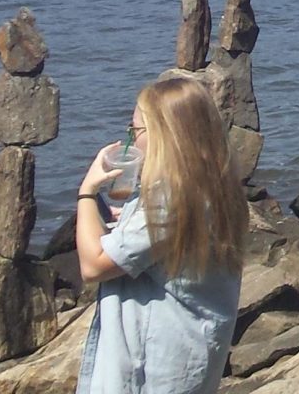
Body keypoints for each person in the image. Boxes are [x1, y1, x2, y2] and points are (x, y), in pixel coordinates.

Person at [74, 76, 246, 394]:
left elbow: (93, 265)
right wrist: (125, 220)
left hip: (153, 366)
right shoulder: (213, 186)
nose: (131, 139)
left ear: (163, 135)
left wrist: (87, 191)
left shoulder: (174, 199)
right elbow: (162, 244)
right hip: (187, 355)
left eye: (136, 130)